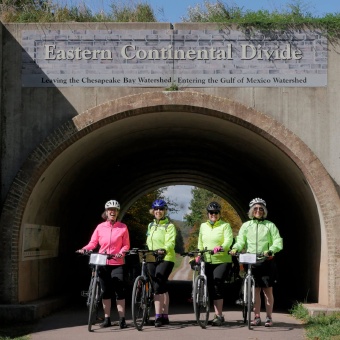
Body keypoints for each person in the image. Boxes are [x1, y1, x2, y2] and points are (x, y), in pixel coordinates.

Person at [77, 200, 130, 329]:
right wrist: (84, 249)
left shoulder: (123, 227)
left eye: (115, 210)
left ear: (117, 213)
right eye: (110, 210)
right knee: (105, 291)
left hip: (117, 262)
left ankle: (122, 319)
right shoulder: (100, 227)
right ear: (106, 212)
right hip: (102, 262)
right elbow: (93, 242)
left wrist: (121, 253)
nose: (112, 212)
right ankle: (107, 319)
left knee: (119, 290)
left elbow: (126, 245)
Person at [230, 198, 283, 327]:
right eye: (255, 208)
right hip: (252, 260)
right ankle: (257, 316)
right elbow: (241, 240)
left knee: (267, 291)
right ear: (251, 211)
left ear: (264, 211)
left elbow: (278, 241)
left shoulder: (270, 225)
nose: (258, 211)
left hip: (266, 260)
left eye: (260, 209)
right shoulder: (246, 225)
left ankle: (269, 317)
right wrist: (236, 248)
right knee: (255, 290)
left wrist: (271, 250)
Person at [196, 201, 233, 326]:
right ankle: (211, 312)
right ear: (208, 214)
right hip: (207, 259)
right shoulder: (203, 226)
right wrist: (199, 254)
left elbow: (229, 240)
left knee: (217, 285)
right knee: (209, 286)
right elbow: (200, 241)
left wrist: (222, 247)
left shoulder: (225, 226)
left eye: (216, 213)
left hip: (222, 260)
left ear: (219, 214)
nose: (214, 215)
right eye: (211, 213)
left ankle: (219, 315)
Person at [146, 199, 176, 327]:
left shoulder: (170, 226)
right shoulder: (150, 225)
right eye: (156, 209)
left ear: (165, 211)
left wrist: (163, 249)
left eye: (161, 209)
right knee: (160, 286)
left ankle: (158, 316)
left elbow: (171, 242)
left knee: (158, 285)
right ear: (153, 211)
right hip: (152, 257)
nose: (158, 211)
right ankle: (165, 315)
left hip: (166, 257)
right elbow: (148, 240)